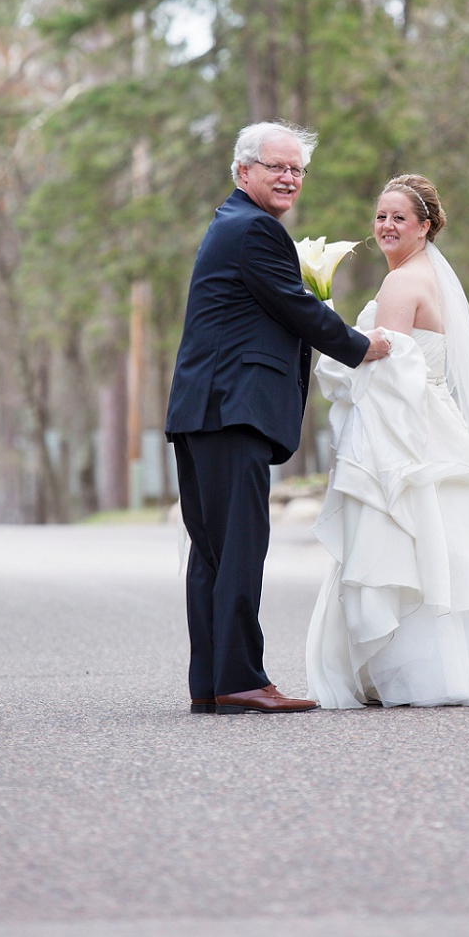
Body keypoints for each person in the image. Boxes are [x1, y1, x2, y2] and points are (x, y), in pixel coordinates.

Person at [306, 174, 469, 708]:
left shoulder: (400, 283)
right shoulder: (429, 277)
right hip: (433, 420)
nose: (386, 226)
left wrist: (334, 343)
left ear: (425, 227)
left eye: (400, 217)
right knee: (449, 543)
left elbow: (390, 372)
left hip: (407, 428)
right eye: (380, 216)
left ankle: (411, 674)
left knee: (406, 540)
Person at [165, 122, 391, 715]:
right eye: (276, 167)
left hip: (205, 410)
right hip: (229, 410)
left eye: (297, 170)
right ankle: (239, 680)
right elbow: (295, 308)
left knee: (213, 552)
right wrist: (359, 345)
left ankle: (214, 682)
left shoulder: (234, 225)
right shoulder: (255, 229)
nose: (289, 177)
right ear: (244, 172)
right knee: (236, 548)